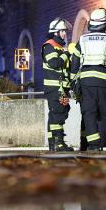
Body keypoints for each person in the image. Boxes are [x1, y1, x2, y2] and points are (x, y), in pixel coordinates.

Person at [70, 8, 106, 151]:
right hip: (104, 82)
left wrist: (73, 81)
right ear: (104, 24)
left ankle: (93, 146)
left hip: (86, 82)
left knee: (89, 113)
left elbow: (74, 62)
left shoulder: (82, 39)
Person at [42, 18, 74, 151]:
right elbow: (54, 63)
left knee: (57, 113)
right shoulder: (49, 46)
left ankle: (53, 143)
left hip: (60, 87)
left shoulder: (59, 47)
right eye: (63, 31)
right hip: (55, 88)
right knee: (58, 114)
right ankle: (58, 144)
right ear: (56, 32)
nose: (65, 34)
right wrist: (67, 53)